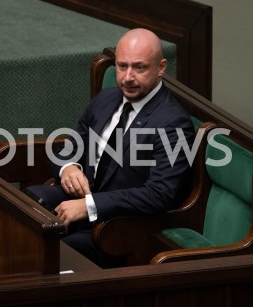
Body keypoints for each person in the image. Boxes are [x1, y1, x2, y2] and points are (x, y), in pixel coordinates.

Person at [27, 28, 195, 268]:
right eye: (122, 66)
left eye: (139, 68)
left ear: (161, 67)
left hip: (120, 226)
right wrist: (68, 168)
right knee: (26, 207)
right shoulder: (105, 100)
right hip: (81, 201)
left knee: (51, 254)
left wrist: (89, 206)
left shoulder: (173, 123)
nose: (127, 77)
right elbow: (69, 147)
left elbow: (159, 194)